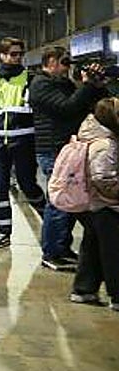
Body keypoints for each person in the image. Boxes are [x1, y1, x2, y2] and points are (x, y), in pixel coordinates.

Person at [29, 46, 109, 270]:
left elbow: (95, 106)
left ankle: (61, 248)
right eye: (64, 63)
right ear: (51, 62)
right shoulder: (40, 85)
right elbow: (66, 108)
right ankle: (51, 252)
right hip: (53, 150)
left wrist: (97, 86)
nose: (66, 68)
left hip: (68, 149)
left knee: (70, 201)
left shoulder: (63, 84)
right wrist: (85, 85)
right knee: (59, 203)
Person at [0, 36, 45, 248]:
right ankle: (3, 232)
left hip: (24, 144)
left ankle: (51, 224)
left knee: (29, 186)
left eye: (20, 54)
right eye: (13, 54)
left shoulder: (31, 80)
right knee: (0, 188)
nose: (17, 58)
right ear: (2, 55)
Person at [67, 97, 119, 310]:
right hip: (105, 204)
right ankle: (117, 296)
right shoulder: (104, 144)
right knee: (113, 250)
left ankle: (84, 289)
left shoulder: (97, 136)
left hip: (95, 204)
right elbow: (103, 178)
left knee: (93, 247)